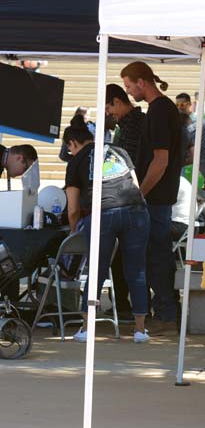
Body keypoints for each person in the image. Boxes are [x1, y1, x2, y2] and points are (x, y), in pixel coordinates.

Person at [60, 115, 151, 344]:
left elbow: (72, 208)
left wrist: (74, 231)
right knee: (137, 270)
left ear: (72, 143)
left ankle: (86, 327)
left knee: (97, 269)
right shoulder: (119, 151)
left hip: (103, 213)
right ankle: (140, 330)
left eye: (69, 148)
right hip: (136, 210)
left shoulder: (76, 161)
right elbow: (136, 184)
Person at [120, 61, 182, 336]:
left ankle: (167, 312)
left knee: (157, 254)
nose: (129, 91)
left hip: (155, 195)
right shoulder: (162, 109)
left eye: (129, 85)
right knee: (156, 253)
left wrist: (140, 193)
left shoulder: (159, 111)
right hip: (159, 194)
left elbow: (160, 160)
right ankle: (166, 310)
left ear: (141, 82)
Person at [106, 83, 146, 166]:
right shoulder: (129, 123)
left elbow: (127, 163)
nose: (107, 113)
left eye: (107, 108)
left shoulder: (132, 124)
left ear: (116, 101)